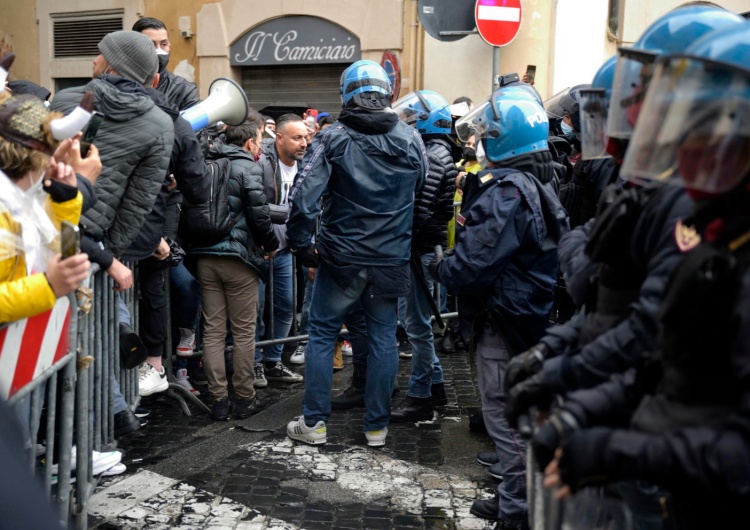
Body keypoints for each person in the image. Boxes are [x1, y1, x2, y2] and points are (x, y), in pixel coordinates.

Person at [543, 21, 750, 530]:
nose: (685, 150)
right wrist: (576, 401)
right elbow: (666, 355)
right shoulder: (720, 235)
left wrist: (623, 452)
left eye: (707, 134)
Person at [430, 86, 569, 530]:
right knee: (517, 416)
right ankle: (516, 494)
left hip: (503, 320)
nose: (478, 143)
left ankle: (518, 512)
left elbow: (470, 266)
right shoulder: (533, 181)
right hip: (524, 315)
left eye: (486, 134)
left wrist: (441, 265)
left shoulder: (506, 191)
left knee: (506, 420)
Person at [285, 59, 427, 447]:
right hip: (391, 257)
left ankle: (314, 424)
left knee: (322, 335)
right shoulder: (411, 137)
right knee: (384, 338)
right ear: (387, 93)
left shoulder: (333, 138)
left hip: (341, 257)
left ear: (346, 94)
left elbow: (302, 199)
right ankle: (377, 427)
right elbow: (422, 189)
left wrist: (302, 246)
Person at [49, 30, 175, 394]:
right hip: (93, 234)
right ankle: (111, 418)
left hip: (51, 223)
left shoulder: (69, 99)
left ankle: (93, 424)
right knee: (91, 329)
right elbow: (140, 199)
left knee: (60, 332)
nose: (93, 60)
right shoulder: (159, 124)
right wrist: (111, 253)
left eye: (99, 55)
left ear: (110, 64)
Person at [189, 113, 279, 420]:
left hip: (204, 256)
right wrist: (270, 244)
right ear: (251, 141)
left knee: (213, 331)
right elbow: (260, 215)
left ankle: (218, 402)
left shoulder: (205, 165)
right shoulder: (248, 167)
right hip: (238, 259)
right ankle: (244, 399)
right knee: (243, 333)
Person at [390, 89, 459, 421]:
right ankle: (436, 385)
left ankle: (420, 397)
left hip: (418, 250)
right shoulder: (438, 151)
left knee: (417, 327)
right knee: (417, 323)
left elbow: (419, 208)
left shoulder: (432, 156)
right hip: (423, 249)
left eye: (413, 118)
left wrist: (401, 239)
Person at [254, 113, 307, 388]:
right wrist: (292, 213)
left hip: (286, 250)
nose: (304, 143)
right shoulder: (261, 162)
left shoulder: (307, 166)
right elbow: (256, 206)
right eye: (297, 138)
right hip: (257, 249)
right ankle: (252, 365)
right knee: (255, 311)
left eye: (306, 137)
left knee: (286, 307)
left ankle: (273, 362)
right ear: (280, 137)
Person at [132, 17, 199, 111]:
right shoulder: (119, 83)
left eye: (163, 44)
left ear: (169, 46)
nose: (158, 51)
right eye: (150, 44)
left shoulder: (183, 90)